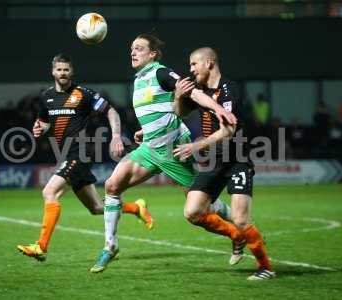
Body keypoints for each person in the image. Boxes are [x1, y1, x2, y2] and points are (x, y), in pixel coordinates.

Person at [90, 34, 237, 273]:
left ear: (153, 54)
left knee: (201, 206)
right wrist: (145, 131)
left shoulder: (161, 73)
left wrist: (217, 107)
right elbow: (160, 109)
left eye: (139, 49)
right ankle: (110, 246)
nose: (133, 52)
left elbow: (193, 93)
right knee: (112, 185)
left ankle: (238, 226)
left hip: (173, 149)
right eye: (131, 48)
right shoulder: (138, 80)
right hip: (150, 148)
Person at [17, 53, 153, 262]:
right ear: (53, 71)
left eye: (66, 70)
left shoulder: (84, 94)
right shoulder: (47, 96)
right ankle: (136, 208)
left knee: (49, 192)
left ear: (72, 72)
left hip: (79, 153)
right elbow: (44, 121)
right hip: (64, 155)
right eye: (59, 69)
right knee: (97, 208)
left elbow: (111, 111)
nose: (62, 73)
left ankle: (41, 246)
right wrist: (39, 128)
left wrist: (116, 136)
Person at [173, 47, 275, 280]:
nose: (190, 69)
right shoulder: (197, 89)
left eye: (193, 64)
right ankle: (235, 236)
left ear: (209, 63)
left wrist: (196, 146)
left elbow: (229, 130)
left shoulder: (229, 89)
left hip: (237, 159)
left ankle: (266, 267)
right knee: (193, 212)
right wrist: (178, 96)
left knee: (241, 218)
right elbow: (178, 112)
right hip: (214, 161)